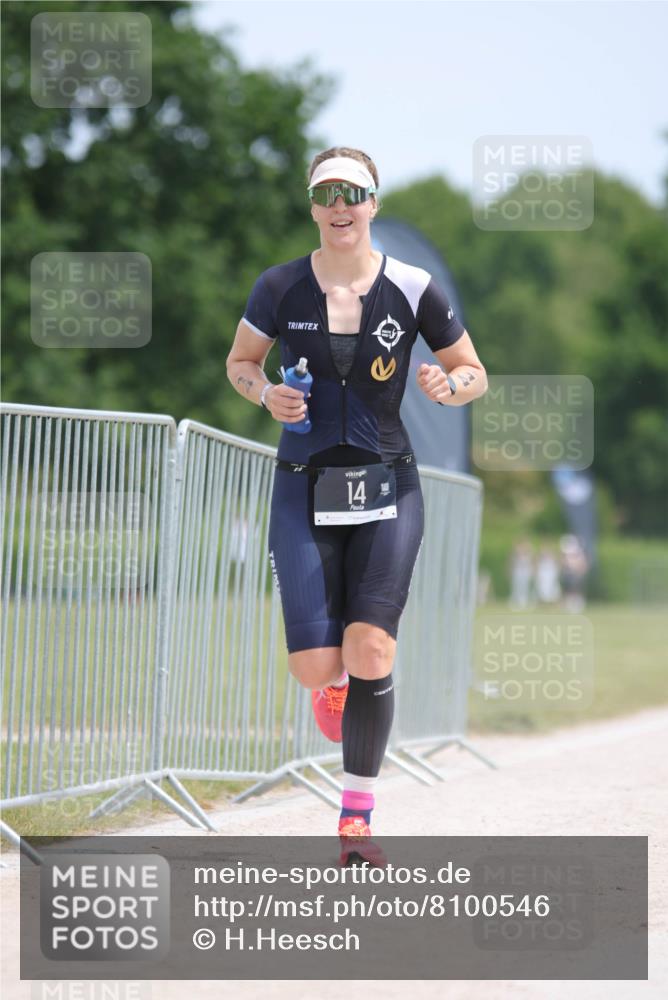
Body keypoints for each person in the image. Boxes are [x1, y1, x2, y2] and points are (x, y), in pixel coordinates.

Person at [226, 147, 487, 863]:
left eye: (355, 192)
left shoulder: (412, 285)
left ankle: (356, 821)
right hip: (302, 485)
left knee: (371, 648)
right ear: (313, 205)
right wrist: (264, 394)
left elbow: (474, 371)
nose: (342, 204)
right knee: (318, 665)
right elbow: (241, 364)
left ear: (374, 201)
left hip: (388, 485)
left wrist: (450, 387)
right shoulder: (279, 287)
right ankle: (331, 683)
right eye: (328, 192)